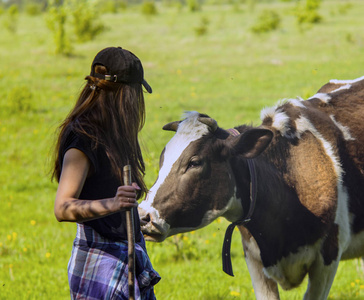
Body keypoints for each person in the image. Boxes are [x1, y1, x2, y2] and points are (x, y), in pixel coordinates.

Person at [52, 47, 160, 299]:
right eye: (136, 93)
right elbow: (62, 207)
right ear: (123, 94)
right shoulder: (84, 138)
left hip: (125, 256)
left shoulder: (112, 132)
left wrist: (134, 217)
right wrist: (113, 204)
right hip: (100, 264)